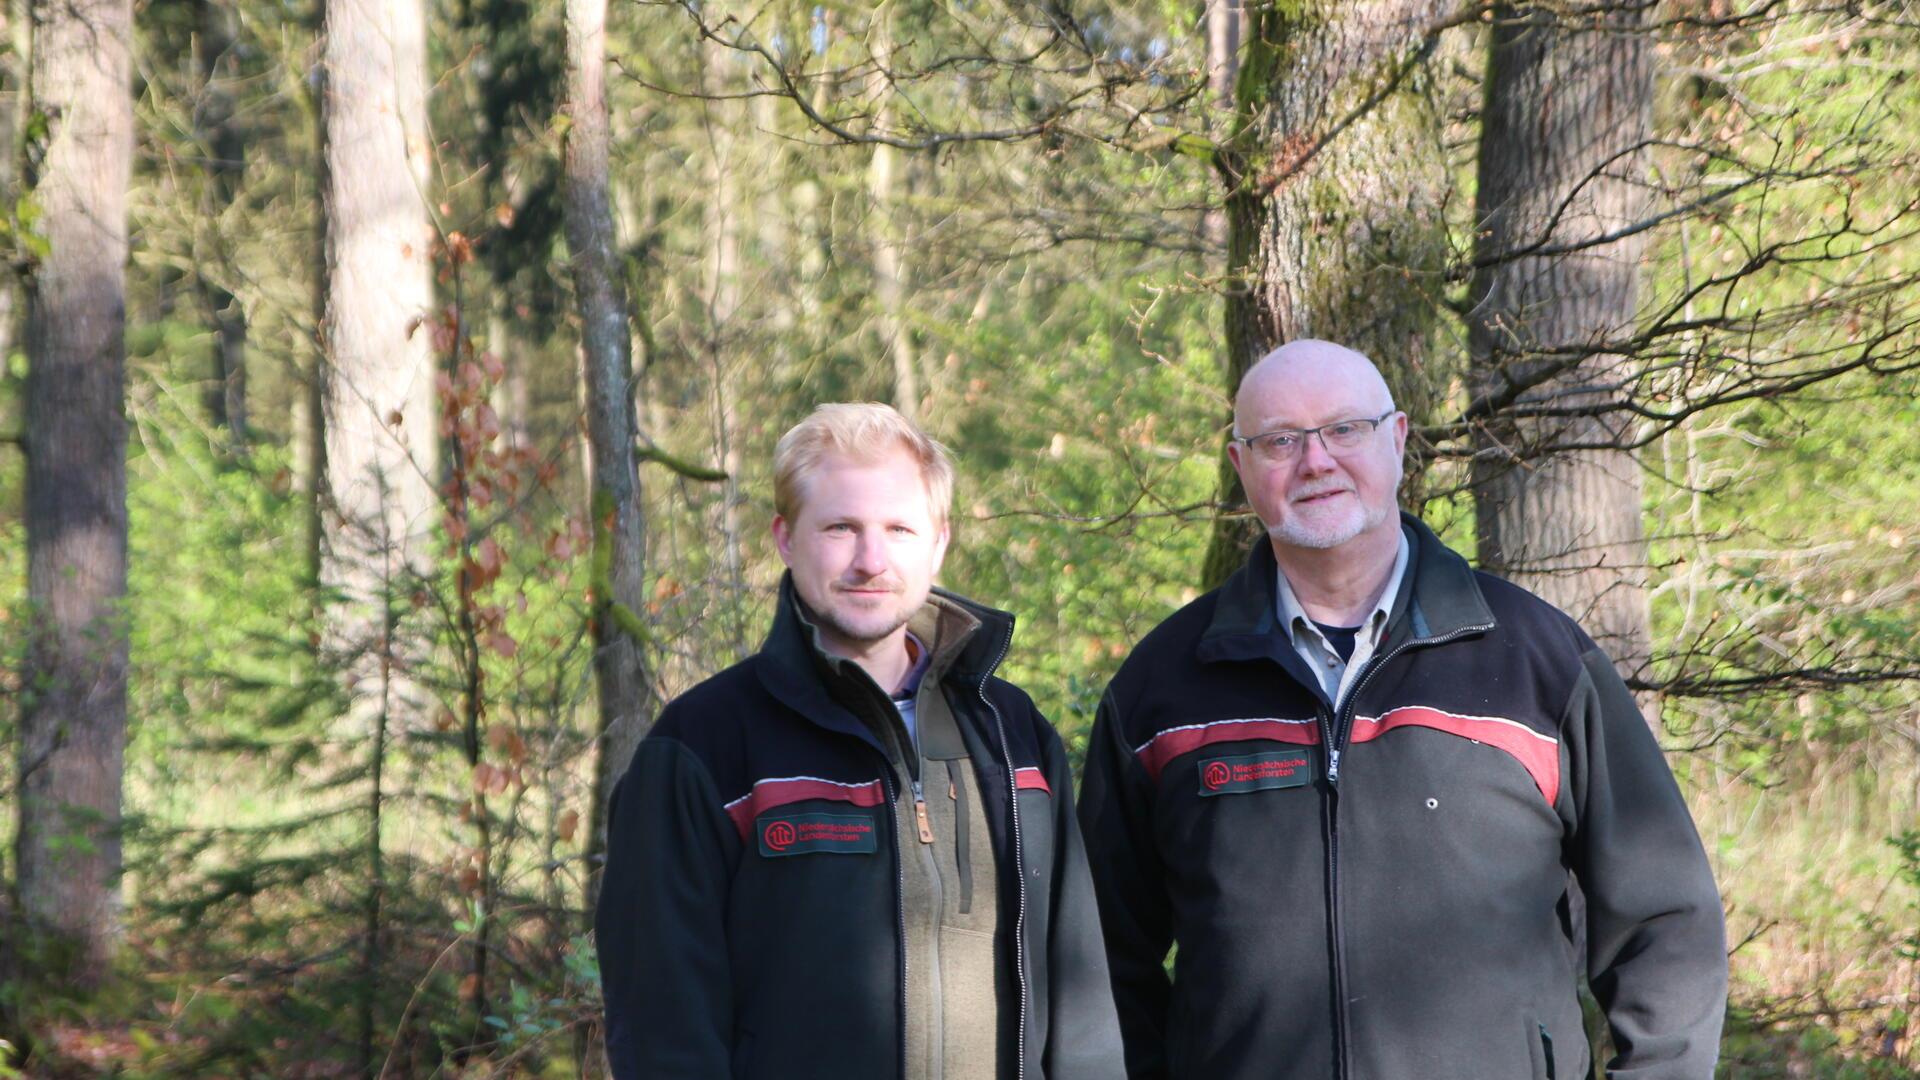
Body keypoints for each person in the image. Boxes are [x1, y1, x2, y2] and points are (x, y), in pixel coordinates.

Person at [1077, 340, 1727, 1080]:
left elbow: (1664, 917)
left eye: (1345, 430)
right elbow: (1099, 959)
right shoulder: (1164, 687)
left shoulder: (1535, 662)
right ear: (1240, 467)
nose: (1315, 461)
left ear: (1398, 439)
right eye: (1279, 441)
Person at [597, 402, 1124, 1080]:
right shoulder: (704, 749)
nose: (871, 560)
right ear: (786, 539)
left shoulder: (1014, 735)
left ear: (938, 542)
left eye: (899, 529)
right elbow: (663, 1029)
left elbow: (1083, 1007)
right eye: (841, 528)